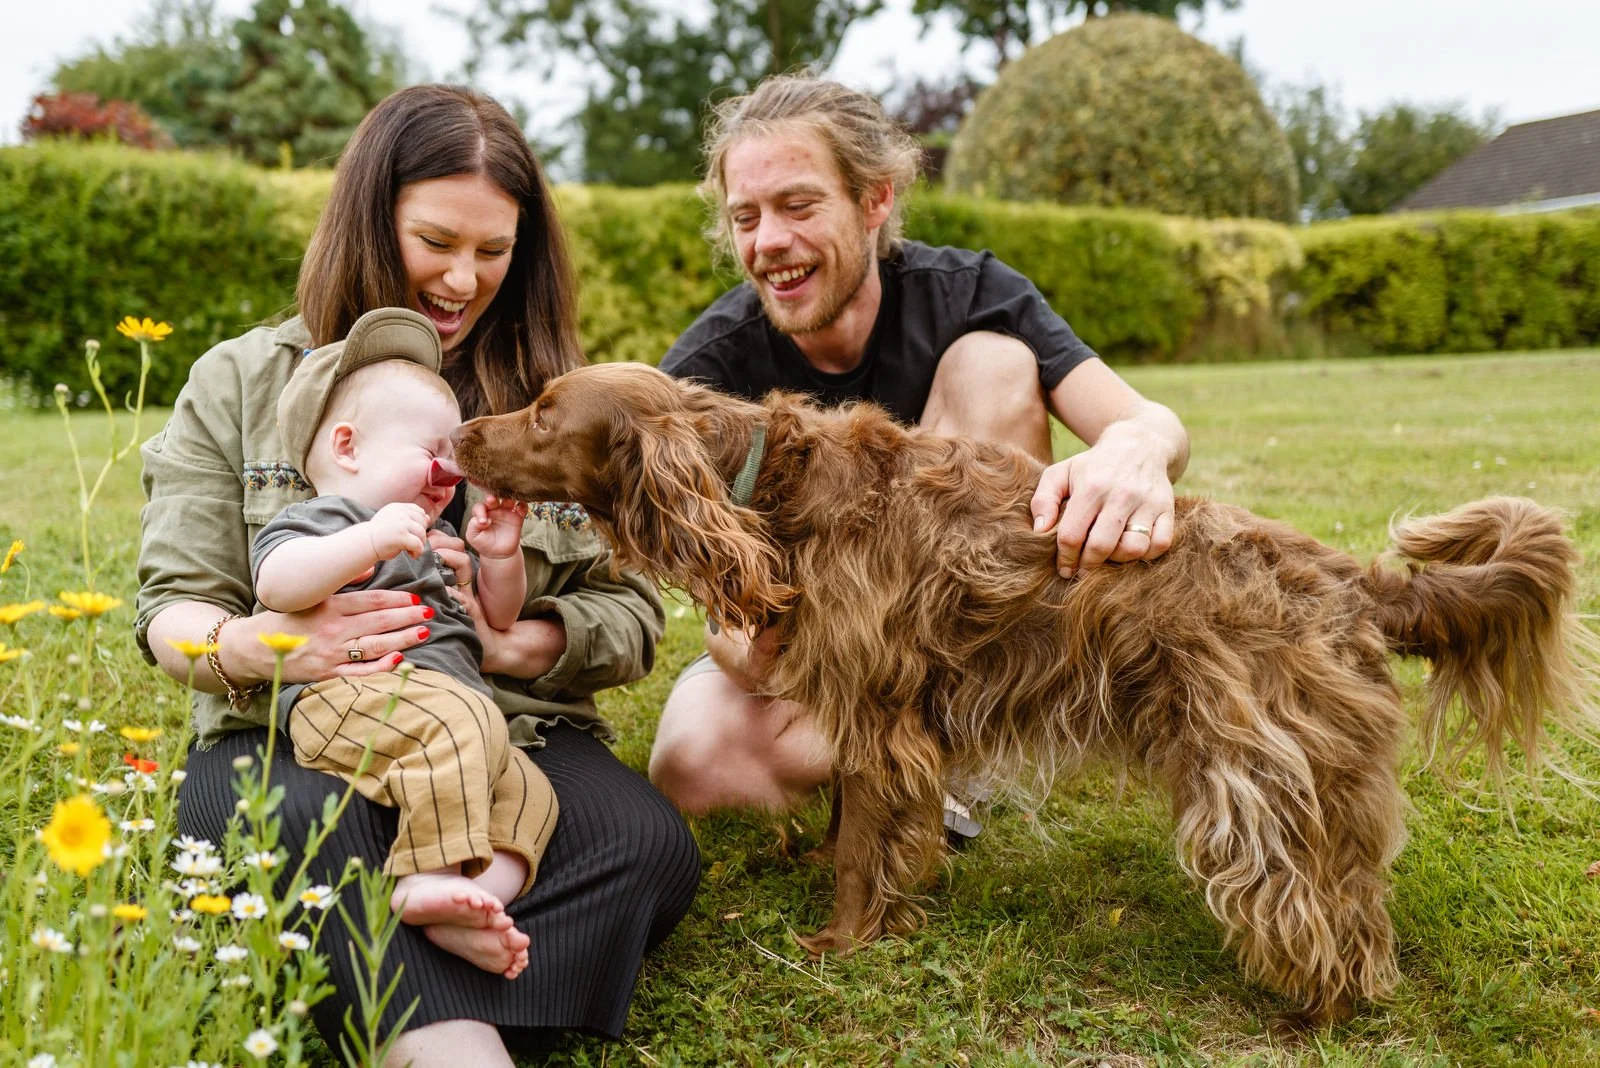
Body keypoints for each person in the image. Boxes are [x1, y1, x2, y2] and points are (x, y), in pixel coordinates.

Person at [137, 85, 699, 1066]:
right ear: (369, 219)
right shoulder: (242, 378)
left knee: (641, 843)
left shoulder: (558, 403)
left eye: (494, 251)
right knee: (291, 826)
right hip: (294, 733)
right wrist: (261, 644)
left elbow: (631, 615)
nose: (462, 278)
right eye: (436, 240)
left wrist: (514, 637)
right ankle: (451, 1034)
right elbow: (168, 610)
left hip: (506, 723)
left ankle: (374, 975)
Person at [649, 74, 1191, 829]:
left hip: (962, 637)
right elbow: (719, 614)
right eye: (746, 216)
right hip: (816, 659)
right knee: (694, 765)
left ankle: (958, 744)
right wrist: (745, 642)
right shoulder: (712, 367)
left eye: (799, 206)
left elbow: (1154, 422)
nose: (768, 241)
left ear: (875, 201)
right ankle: (904, 762)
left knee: (993, 361)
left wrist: (1135, 445)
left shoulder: (969, 291)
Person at [255, 307, 557, 981]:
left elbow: (498, 619)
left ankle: (476, 900)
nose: (450, 473)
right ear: (348, 448)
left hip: (438, 709)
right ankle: (424, 876)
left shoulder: (437, 538)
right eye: (432, 453)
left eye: (455, 458)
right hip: (345, 696)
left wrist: (498, 558)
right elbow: (277, 584)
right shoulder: (324, 521)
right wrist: (366, 542)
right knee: (465, 721)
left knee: (533, 791)